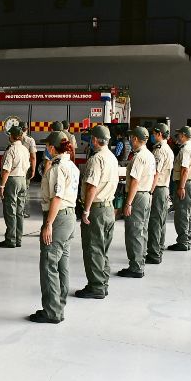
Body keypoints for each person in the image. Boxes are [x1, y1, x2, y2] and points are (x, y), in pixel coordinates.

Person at [31, 131, 79, 324]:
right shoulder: (72, 166)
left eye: (47, 146)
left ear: (52, 147)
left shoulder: (58, 168)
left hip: (57, 217)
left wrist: (48, 224)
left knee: (49, 263)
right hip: (69, 217)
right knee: (62, 264)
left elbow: (57, 197)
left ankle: (51, 312)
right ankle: (58, 304)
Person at [75, 124, 118, 299]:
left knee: (93, 248)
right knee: (103, 248)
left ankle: (96, 286)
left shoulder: (96, 159)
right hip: (108, 208)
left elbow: (92, 187)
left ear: (94, 140)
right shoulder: (112, 157)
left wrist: (86, 210)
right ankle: (102, 282)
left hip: (96, 209)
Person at [118, 126, 156, 278]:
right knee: (142, 231)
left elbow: (134, 181)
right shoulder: (149, 155)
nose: (130, 140)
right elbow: (154, 176)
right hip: (145, 194)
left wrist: (128, 203)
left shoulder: (139, 157)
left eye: (131, 137)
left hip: (138, 196)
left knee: (134, 232)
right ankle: (140, 262)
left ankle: (136, 267)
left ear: (135, 139)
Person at [167, 126, 191, 252]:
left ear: (183, 135)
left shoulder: (186, 150)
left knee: (181, 214)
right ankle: (186, 239)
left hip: (185, 184)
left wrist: (181, 186)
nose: (178, 137)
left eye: (179, 135)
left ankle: (183, 242)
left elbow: (185, 169)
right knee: (187, 214)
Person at [0, 125, 30, 249]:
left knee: (10, 210)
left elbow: (6, 170)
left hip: (12, 180)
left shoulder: (11, 150)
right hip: (22, 179)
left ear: (12, 136)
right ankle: (18, 238)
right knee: (19, 211)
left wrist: (2, 185)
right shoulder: (24, 149)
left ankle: (10, 239)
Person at [146, 123, 175, 263]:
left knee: (155, 222)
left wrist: (150, 191)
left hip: (158, 188)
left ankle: (153, 253)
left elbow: (155, 173)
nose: (152, 136)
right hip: (164, 188)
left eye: (153, 134)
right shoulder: (167, 148)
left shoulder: (159, 150)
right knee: (161, 221)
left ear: (159, 134)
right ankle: (159, 249)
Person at [19, 121, 37, 218]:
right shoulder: (30, 140)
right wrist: (33, 170)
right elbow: (33, 157)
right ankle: (21, 211)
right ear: (27, 129)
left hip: (15, 169)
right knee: (23, 190)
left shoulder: (13, 138)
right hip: (25, 168)